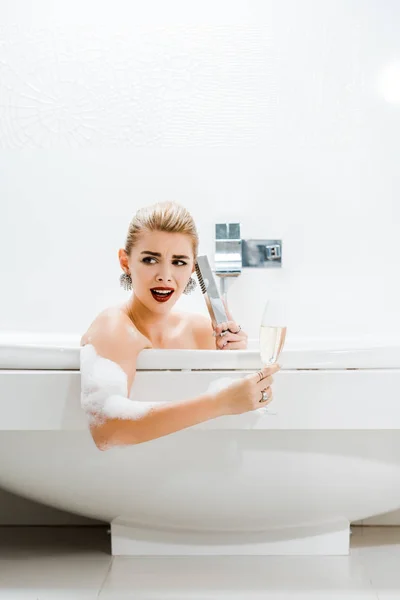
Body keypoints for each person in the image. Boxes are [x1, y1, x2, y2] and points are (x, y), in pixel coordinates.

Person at [80, 201, 280, 450]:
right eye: (151, 260)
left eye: (179, 262)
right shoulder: (113, 327)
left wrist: (237, 358)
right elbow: (106, 430)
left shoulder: (202, 331)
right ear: (125, 262)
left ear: (194, 267)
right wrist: (221, 402)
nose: (165, 275)